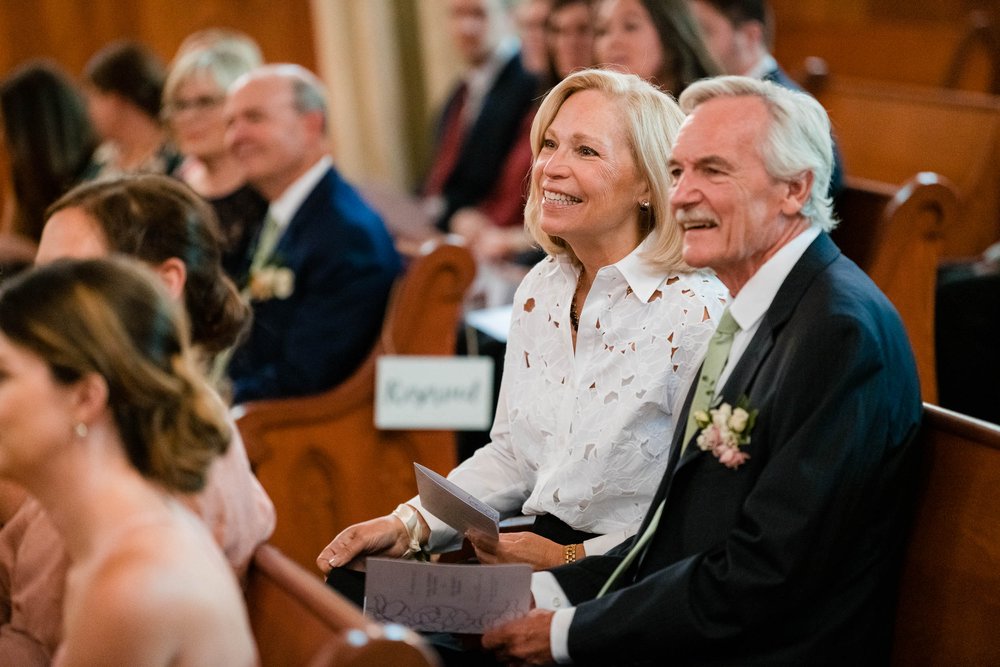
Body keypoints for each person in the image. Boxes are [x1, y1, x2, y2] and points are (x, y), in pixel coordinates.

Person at [482, 76, 922, 665]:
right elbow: (679, 534)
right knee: (394, 612)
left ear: (795, 189)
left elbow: (766, 574)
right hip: (689, 610)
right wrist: (549, 595)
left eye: (713, 172)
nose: (683, 195)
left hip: (760, 649)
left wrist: (565, 632)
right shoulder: (760, 306)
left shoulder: (838, 331)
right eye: (678, 172)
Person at [318, 69, 727, 581]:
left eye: (586, 151)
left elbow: (700, 516)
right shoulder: (543, 287)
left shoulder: (695, 313)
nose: (550, 167)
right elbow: (513, 456)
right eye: (550, 144)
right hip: (532, 547)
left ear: (648, 182)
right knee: (351, 587)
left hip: (635, 576)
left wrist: (566, 559)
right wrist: (411, 524)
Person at [0, 175, 275, 665]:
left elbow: (37, 641)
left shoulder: (159, 490)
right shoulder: (126, 438)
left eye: (70, 277)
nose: (42, 302)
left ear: (163, 284)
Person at [223, 64, 402, 403]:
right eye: (229, 123)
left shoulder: (345, 235)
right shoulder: (281, 214)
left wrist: (211, 401)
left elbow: (305, 378)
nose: (235, 137)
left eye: (254, 118)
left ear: (311, 125)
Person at [687, 0, 844, 193]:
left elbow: (824, 188)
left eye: (705, 31)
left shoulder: (788, 108)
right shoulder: (716, 94)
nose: (692, 43)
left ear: (750, 36)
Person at [420, 0, 539, 232]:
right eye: (457, 14)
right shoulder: (458, 92)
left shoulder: (528, 83)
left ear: (509, 17)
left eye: (478, 14)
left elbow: (505, 184)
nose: (466, 28)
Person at [163, 37, 267, 278]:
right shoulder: (167, 192)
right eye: (180, 105)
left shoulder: (266, 191)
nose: (189, 117)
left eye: (205, 102)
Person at [0, 61, 97, 243]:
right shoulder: (23, 177)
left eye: (6, 125)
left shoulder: (95, 171)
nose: (3, 138)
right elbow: (11, 237)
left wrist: (23, 251)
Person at [81, 40, 181, 179]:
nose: (88, 110)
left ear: (116, 101)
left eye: (92, 98)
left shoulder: (177, 158)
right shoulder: (102, 159)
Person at [594, 0, 720, 96]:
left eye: (631, 26)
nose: (612, 41)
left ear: (670, 35)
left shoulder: (705, 111)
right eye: (602, 30)